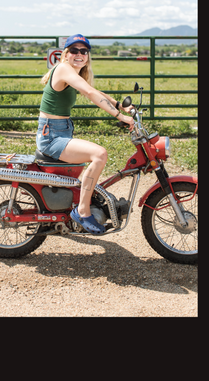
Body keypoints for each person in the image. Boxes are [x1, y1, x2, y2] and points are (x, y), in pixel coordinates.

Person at [34, 34, 135, 234]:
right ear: (65, 54)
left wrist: (120, 106)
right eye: (74, 50)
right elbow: (90, 93)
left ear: (87, 56)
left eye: (84, 51)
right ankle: (83, 211)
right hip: (51, 137)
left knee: (95, 157)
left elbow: (93, 91)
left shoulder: (73, 74)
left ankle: (82, 203)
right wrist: (119, 117)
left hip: (60, 132)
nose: (79, 54)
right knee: (99, 154)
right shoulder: (63, 69)